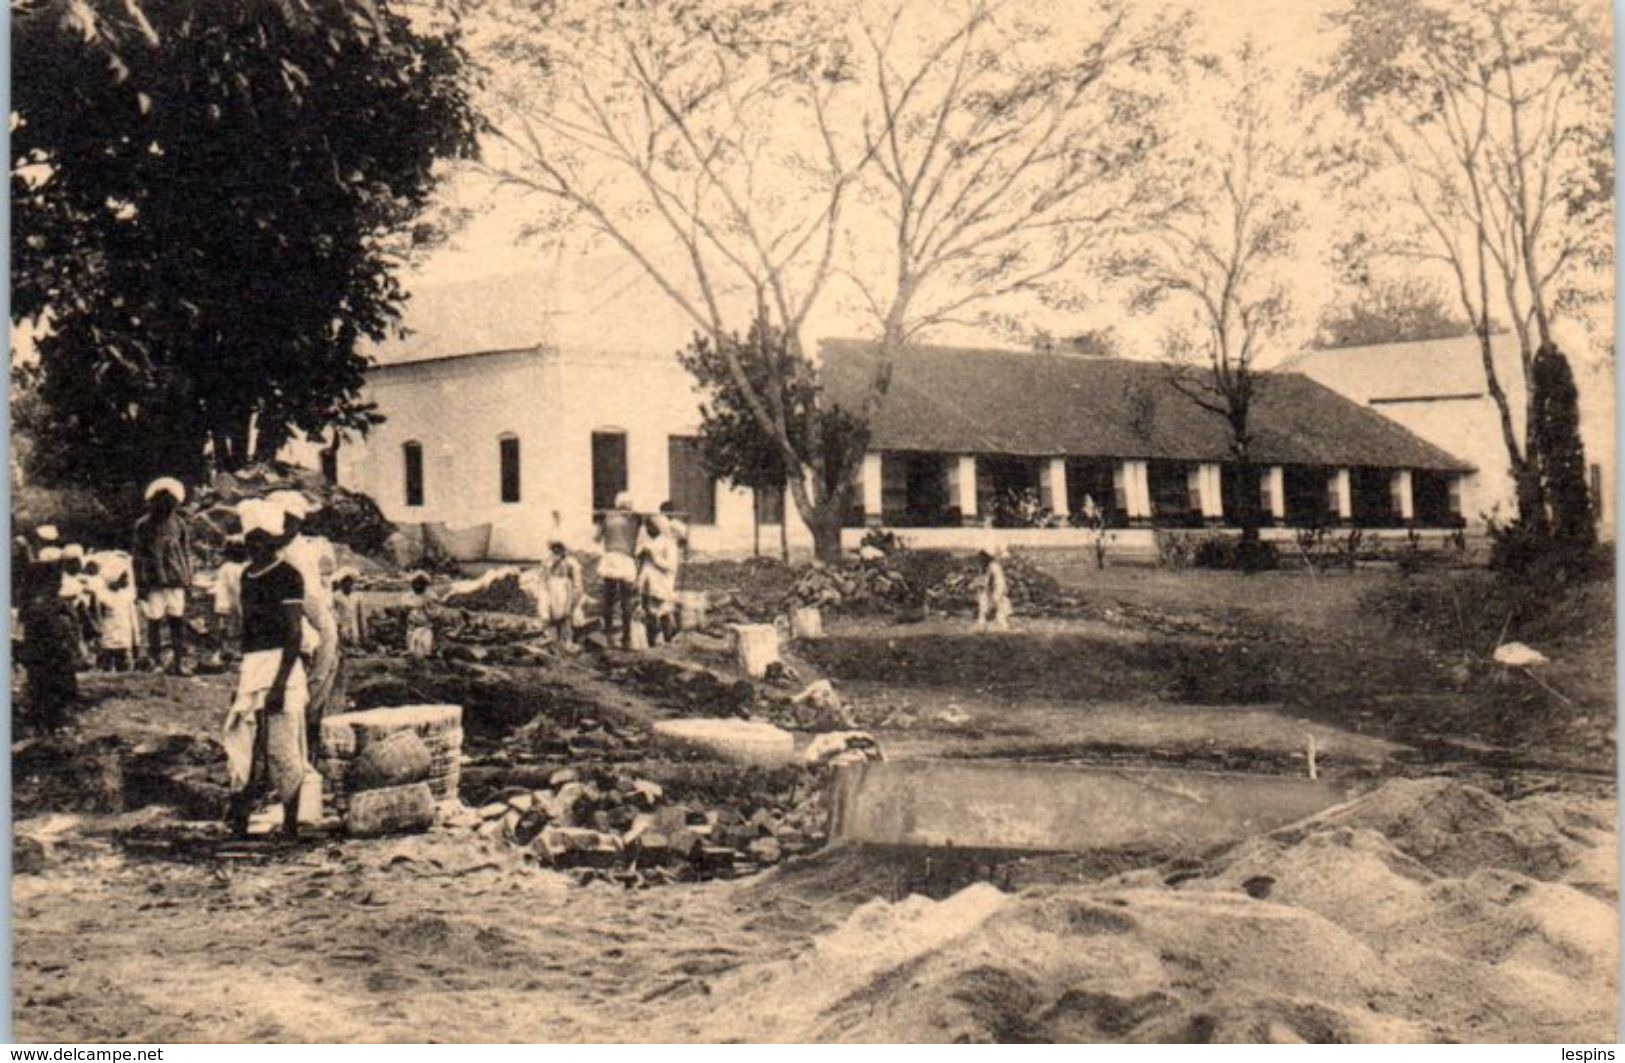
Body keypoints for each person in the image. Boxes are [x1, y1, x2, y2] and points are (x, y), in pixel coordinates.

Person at [222, 499, 309, 839]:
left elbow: (294, 635)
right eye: (250, 540)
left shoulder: (288, 576)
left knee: (283, 746)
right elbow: (247, 631)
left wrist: (278, 684)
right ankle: (240, 820)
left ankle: (290, 823)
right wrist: (243, 678)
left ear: (274, 540)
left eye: (262, 540)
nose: (255, 547)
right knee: (241, 740)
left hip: (280, 665)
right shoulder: (246, 575)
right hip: (253, 665)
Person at [268, 491, 340, 760]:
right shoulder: (274, 550)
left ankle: (306, 758)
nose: (283, 526)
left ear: (298, 523)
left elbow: (313, 607)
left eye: (289, 521)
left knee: (309, 697)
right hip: (285, 633)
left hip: (310, 632)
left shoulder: (300, 554)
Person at [132, 477, 194, 676]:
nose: (167, 505)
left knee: (177, 619)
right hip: (153, 581)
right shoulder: (143, 525)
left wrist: (187, 580)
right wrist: (140, 584)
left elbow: (185, 552)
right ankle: (156, 661)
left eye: (171, 501)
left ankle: (178, 661)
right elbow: (138, 556)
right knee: (154, 620)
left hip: (175, 579)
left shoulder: (180, 524)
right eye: (163, 501)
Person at [17, 546, 78, 731]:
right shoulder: (46, 603)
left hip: (40, 654)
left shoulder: (32, 603)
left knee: (41, 687)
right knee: (54, 688)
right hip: (51, 653)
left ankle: (44, 723)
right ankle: (52, 723)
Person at [594, 491, 640, 648]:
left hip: (612, 557)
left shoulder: (609, 517)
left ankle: (608, 635)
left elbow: (596, 538)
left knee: (609, 598)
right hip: (626, 558)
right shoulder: (635, 518)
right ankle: (626, 638)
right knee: (626, 599)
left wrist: (603, 524)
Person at [92, 553, 142, 672]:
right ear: (115, 576)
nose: (127, 580)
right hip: (107, 643)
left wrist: (136, 643)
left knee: (124, 670)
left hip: (124, 643)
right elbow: (98, 619)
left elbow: (133, 621)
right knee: (106, 671)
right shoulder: (101, 596)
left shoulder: (127, 596)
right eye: (124, 577)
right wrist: (99, 640)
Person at [637, 513, 681, 646]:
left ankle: (668, 640)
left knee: (663, 612)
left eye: (650, 525)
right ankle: (651, 643)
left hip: (661, 583)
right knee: (649, 613)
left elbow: (671, 566)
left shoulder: (669, 543)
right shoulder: (646, 541)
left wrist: (654, 557)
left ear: (658, 526)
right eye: (646, 525)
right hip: (647, 582)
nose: (648, 528)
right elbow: (642, 562)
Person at [206, 536, 247, 669]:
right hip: (234, 603)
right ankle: (227, 652)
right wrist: (223, 607)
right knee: (230, 629)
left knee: (240, 628)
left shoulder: (245, 567)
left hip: (243, 603)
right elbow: (222, 590)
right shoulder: (227, 568)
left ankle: (236, 652)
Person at [541, 540, 585, 652]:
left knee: (566, 616)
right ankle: (553, 640)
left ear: (563, 550)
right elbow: (544, 578)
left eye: (559, 548)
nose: (556, 551)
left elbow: (577, 583)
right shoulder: (548, 562)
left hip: (565, 590)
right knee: (551, 615)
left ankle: (567, 641)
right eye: (554, 549)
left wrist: (575, 598)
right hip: (552, 590)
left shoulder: (571, 563)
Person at [973, 546, 1012, 632]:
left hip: (996, 594)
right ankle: (982, 629)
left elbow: (999, 583)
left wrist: (995, 598)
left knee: (999, 615)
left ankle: (1003, 631)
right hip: (991, 594)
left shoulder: (993, 567)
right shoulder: (989, 567)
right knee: (986, 612)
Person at [403, 570, 435, 658]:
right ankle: (412, 652)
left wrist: (426, 607)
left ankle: (426, 653)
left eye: (421, 584)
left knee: (425, 641)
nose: (418, 586)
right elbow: (406, 608)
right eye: (416, 583)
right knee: (412, 641)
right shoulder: (408, 596)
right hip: (412, 625)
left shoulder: (430, 596)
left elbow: (433, 612)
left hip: (426, 625)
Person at [333, 567, 364, 649]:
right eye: (345, 582)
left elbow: (359, 615)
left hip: (354, 627)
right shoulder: (336, 596)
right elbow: (333, 613)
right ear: (341, 583)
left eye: (349, 582)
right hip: (342, 627)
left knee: (355, 646)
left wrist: (362, 633)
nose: (347, 584)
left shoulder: (357, 596)